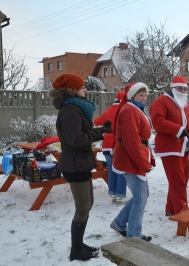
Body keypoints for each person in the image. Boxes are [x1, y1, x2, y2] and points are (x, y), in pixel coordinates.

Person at [50, 73, 109, 261]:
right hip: (74, 164)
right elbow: (76, 139)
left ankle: (79, 244)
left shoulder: (74, 108)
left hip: (80, 163)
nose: (85, 89)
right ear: (72, 90)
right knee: (83, 207)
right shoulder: (70, 110)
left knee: (87, 205)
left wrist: (99, 131)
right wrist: (98, 133)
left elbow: (80, 134)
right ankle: (76, 250)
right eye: (82, 86)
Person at [110, 82, 154, 241]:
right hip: (131, 158)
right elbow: (131, 141)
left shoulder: (135, 109)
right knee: (141, 196)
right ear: (132, 96)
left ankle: (120, 223)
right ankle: (133, 234)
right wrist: (142, 162)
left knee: (142, 195)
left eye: (145, 96)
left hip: (134, 155)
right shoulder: (129, 111)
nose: (143, 98)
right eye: (140, 95)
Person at [150, 76, 189, 216]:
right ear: (172, 88)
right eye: (179, 88)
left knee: (182, 178)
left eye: (184, 89)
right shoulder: (161, 101)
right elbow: (157, 121)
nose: (182, 91)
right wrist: (177, 129)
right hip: (169, 147)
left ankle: (170, 209)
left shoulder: (186, 104)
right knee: (178, 181)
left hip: (183, 147)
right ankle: (182, 211)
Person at [94, 91, 127, 204]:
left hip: (107, 144)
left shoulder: (108, 110)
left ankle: (112, 193)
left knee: (111, 170)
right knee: (122, 170)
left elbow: (97, 121)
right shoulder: (125, 109)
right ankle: (120, 196)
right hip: (120, 144)